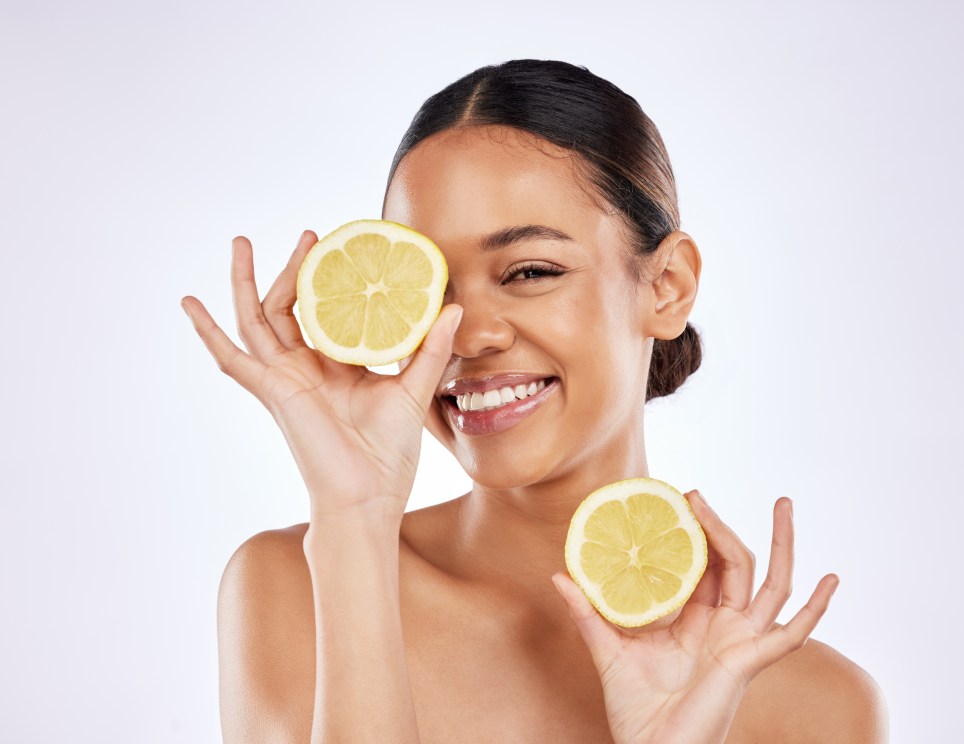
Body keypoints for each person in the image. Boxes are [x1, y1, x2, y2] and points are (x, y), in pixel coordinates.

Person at [181, 59, 888, 743]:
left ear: (666, 285)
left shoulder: (819, 707)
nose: (469, 334)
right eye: (429, 288)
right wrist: (354, 518)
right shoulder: (298, 587)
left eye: (529, 271)